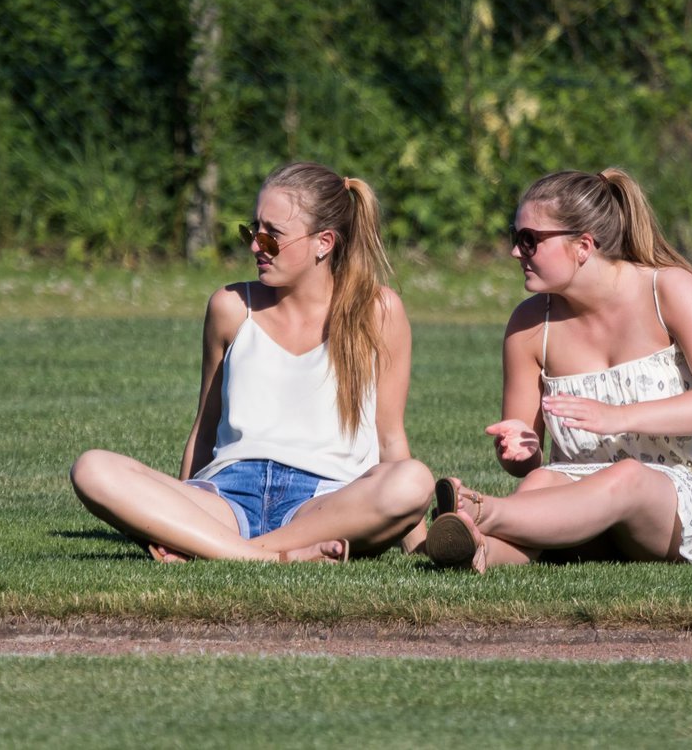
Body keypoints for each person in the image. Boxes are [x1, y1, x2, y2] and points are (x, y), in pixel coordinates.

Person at [425, 168, 692, 572]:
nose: (515, 252)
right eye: (516, 236)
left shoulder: (668, 289)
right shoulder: (529, 327)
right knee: (541, 482)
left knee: (627, 476)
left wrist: (618, 417)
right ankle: (475, 549)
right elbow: (526, 462)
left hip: (678, 499)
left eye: (529, 240)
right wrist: (519, 453)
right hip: (581, 504)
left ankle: (485, 513)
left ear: (583, 245)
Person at [71, 161, 434, 563]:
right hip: (225, 497)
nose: (255, 246)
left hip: (324, 505)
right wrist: (182, 503)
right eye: (252, 230)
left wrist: (418, 543)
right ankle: (272, 556)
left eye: (273, 237)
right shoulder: (230, 307)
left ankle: (221, 550)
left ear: (324, 242)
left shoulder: (378, 311)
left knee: (415, 481)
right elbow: (205, 428)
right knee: (93, 468)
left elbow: (390, 439)